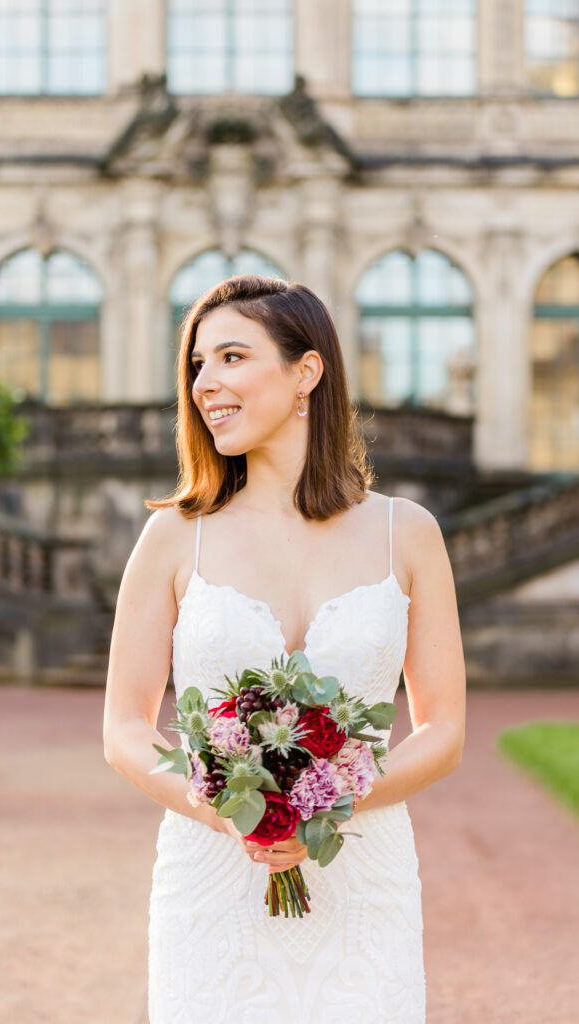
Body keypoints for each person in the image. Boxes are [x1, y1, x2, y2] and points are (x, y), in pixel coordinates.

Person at [103, 275, 466, 1024]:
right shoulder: (173, 537)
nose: (205, 383)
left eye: (232, 356)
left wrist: (325, 800)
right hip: (213, 880)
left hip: (364, 882)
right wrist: (226, 810)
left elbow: (444, 731)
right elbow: (124, 727)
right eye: (197, 364)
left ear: (306, 372)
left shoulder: (407, 533)